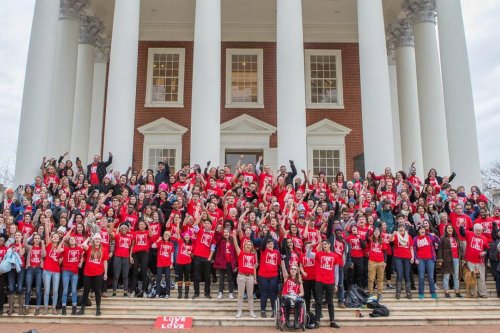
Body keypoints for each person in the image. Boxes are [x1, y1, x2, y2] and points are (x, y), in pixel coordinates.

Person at [308, 239, 340, 329]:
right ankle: (317, 321)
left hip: (330, 282)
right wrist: (311, 246)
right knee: (318, 301)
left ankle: (332, 321)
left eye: (325, 244)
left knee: (330, 302)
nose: (324, 245)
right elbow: (308, 255)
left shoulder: (335, 256)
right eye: (322, 244)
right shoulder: (318, 254)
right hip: (319, 281)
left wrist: (336, 284)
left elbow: (336, 272)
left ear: (329, 245)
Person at [77, 234, 109, 316]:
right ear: (93, 240)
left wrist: (105, 273)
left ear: (100, 240)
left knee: (98, 291)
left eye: (98, 239)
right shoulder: (90, 248)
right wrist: (88, 238)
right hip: (88, 273)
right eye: (96, 239)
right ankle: (82, 309)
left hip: (98, 273)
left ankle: (98, 309)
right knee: (86, 291)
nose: (97, 241)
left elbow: (105, 261)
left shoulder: (104, 250)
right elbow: (83, 245)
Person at [459, 223, 490, 298]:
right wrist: (461, 226)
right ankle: (473, 293)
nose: (478, 232)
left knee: (481, 277)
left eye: (480, 230)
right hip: (470, 260)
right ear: (474, 230)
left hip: (480, 261)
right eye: (477, 230)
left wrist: (484, 252)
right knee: (471, 277)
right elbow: (462, 233)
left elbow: (487, 249)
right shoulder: (469, 234)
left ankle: (483, 293)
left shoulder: (484, 238)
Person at [232, 232, 258, 318]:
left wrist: (255, 278)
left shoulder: (253, 255)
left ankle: (251, 311)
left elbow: (254, 267)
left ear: (251, 247)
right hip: (241, 276)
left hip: (250, 277)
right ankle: (239, 311)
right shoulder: (241, 253)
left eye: (250, 245)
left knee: (250, 295)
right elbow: (235, 245)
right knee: (241, 295)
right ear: (244, 245)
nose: (248, 246)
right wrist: (234, 237)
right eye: (247, 244)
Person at [59, 234, 84, 315]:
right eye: (71, 239)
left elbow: (82, 255)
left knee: (74, 290)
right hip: (66, 271)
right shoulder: (66, 249)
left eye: (73, 239)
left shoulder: (79, 249)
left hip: (75, 272)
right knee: (65, 290)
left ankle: (74, 308)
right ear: (69, 242)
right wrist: (63, 240)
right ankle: (63, 308)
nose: (72, 240)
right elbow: (58, 250)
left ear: (75, 241)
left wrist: (81, 263)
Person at [413, 225, 440, 299]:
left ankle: (433, 292)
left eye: (423, 229)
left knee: (431, 276)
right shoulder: (415, 238)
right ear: (418, 231)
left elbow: (439, 241)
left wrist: (435, 236)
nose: (423, 230)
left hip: (430, 259)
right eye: (421, 229)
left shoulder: (430, 236)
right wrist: (415, 258)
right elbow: (414, 250)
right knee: (421, 276)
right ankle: (421, 293)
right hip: (420, 259)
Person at [437, 225, 463, 298]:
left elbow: (460, 249)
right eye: (448, 228)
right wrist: (440, 259)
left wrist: (462, 258)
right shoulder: (442, 238)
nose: (450, 229)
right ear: (446, 229)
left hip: (456, 259)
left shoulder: (456, 238)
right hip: (446, 259)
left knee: (456, 276)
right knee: (446, 276)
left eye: (451, 228)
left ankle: (457, 291)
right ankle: (446, 292)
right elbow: (439, 249)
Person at [258, 239, 281, 318]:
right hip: (263, 276)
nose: (270, 245)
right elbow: (263, 244)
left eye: (272, 244)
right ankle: (263, 310)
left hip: (274, 276)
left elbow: (278, 263)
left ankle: (274, 310)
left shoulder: (277, 252)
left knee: (272, 294)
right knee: (264, 294)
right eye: (269, 244)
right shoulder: (263, 251)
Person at [391, 223, 414, 300]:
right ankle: (398, 292)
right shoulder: (396, 235)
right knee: (400, 274)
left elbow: (411, 248)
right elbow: (390, 240)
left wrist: (413, 257)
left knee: (407, 274)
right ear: (398, 229)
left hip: (407, 257)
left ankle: (408, 292)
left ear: (405, 229)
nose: (401, 229)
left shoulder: (409, 237)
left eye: (402, 227)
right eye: (400, 227)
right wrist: (392, 235)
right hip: (398, 257)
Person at [23, 232, 44, 315]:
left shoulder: (42, 248)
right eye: (35, 238)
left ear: (40, 240)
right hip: (30, 269)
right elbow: (24, 244)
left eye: (38, 238)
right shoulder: (30, 247)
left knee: (38, 289)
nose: (37, 239)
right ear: (33, 239)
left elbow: (44, 254)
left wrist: (42, 244)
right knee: (28, 289)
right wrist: (26, 237)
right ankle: (27, 307)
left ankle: (37, 308)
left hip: (39, 269)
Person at [280, 264, 305, 329]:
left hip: (295, 298)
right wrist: (282, 261)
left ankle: (296, 322)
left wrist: (297, 295)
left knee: (299, 302)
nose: (293, 270)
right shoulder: (286, 278)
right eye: (292, 269)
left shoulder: (299, 281)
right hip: (286, 297)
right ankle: (287, 322)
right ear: (290, 271)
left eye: (295, 269)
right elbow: (283, 269)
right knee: (287, 301)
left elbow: (302, 293)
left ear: (297, 271)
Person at [152, 231, 174, 298]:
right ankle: (157, 293)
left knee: (167, 278)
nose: (166, 236)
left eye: (167, 235)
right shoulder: (160, 242)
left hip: (167, 263)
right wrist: (158, 240)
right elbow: (153, 246)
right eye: (164, 234)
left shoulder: (171, 244)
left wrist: (171, 263)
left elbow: (172, 255)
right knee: (158, 278)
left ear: (169, 236)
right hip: (160, 263)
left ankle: (167, 293)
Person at [367, 228, 387, 301]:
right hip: (372, 261)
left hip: (381, 262)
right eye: (375, 231)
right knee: (371, 278)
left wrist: (385, 261)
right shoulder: (370, 240)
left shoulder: (382, 241)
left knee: (380, 279)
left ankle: (379, 293)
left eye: (378, 231)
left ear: (380, 233)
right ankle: (370, 293)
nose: (376, 232)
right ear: (373, 232)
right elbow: (366, 236)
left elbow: (385, 252)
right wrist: (369, 230)